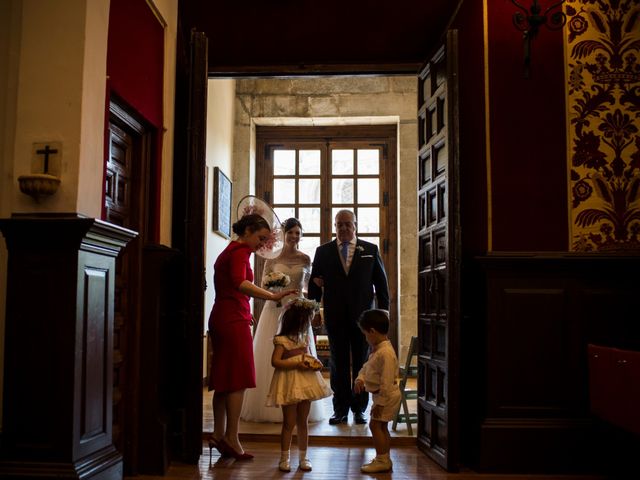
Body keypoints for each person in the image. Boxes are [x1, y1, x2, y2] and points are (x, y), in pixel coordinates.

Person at [208, 213, 298, 461]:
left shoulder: (231, 248)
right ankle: (232, 438)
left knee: (224, 379)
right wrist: (272, 297)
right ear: (247, 231)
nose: (262, 245)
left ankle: (218, 434)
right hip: (232, 319)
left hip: (225, 315)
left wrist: (247, 312)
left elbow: (232, 287)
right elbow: (240, 284)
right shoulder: (239, 252)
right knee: (237, 380)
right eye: (260, 238)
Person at [308, 209, 390, 425]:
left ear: (355, 225)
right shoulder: (323, 252)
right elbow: (314, 284)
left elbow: (381, 284)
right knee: (339, 363)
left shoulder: (370, 250)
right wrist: (315, 310)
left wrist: (384, 315)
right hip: (335, 316)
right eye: (339, 224)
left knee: (364, 362)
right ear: (335, 227)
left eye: (347, 224)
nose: (343, 228)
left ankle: (360, 408)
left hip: (365, 320)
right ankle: (341, 409)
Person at [241, 218, 326, 423]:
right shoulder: (272, 259)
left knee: (298, 354)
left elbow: (306, 289)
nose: (294, 237)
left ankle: (300, 400)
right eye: (291, 233)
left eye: (298, 233)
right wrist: (274, 289)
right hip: (275, 309)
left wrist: (312, 308)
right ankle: (270, 407)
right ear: (284, 234)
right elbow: (262, 286)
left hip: (297, 311)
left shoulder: (305, 259)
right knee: (271, 354)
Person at [266, 297, 333, 472]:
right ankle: (284, 457)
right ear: (298, 321)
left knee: (303, 421)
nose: (308, 325)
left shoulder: (304, 340)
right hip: (289, 383)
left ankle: (304, 457)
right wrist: (296, 363)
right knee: (289, 422)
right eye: (307, 321)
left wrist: (315, 362)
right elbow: (275, 362)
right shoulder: (282, 340)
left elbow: (309, 356)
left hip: (305, 382)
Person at [354, 309, 401, 473]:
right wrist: (360, 378)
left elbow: (387, 382)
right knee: (381, 427)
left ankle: (383, 460)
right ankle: (384, 457)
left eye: (365, 334)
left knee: (375, 426)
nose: (365, 338)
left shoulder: (385, 353)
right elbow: (367, 367)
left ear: (372, 331)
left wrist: (380, 403)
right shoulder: (378, 349)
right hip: (382, 395)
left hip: (386, 396)